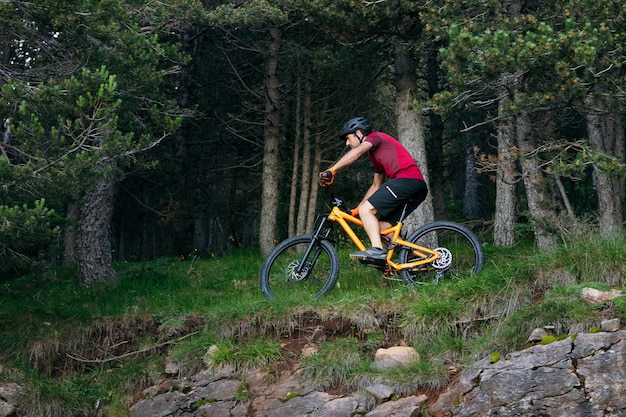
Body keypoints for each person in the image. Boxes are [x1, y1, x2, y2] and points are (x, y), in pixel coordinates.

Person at [319, 117, 428, 263]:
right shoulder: (375, 154)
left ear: (359, 133)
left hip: (406, 180)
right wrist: (357, 210)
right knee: (382, 229)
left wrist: (332, 170)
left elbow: (357, 153)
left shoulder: (374, 137)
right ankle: (411, 259)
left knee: (367, 210)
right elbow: (376, 185)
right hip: (416, 186)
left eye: (348, 138)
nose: (347, 143)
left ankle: (377, 251)